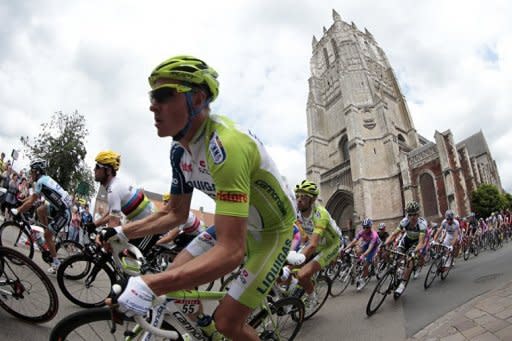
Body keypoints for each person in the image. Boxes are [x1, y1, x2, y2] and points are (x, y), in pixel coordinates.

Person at [98, 55, 296, 341]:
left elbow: (231, 251)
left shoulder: (227, 146)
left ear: (198, 98)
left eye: (164, 95)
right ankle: (205, 327)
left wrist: (149, 285)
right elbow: (174, 213)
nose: (152, 105)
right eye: (152, 96)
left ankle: (219, 329)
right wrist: (120, 232)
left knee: (228, 322)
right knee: (177, 274)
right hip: (237, 223)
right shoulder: (179, 151)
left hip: (270, 232)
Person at [90, 150, 158, 253]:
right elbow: (111, 214)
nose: (94, 169)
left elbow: (114, 222)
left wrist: (103, 238)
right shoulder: (114, 186)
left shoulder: (114, 189)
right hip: (141, 223)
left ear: (108, 171)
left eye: (98, 167)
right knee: (120, 251)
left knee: (131, 258)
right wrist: (94, 225)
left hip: (152, 225)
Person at [12, 159, 73, 273]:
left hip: (64, 213)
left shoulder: (40, 182)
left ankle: (56, 263)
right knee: (40, 210)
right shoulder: (44, 180)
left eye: (32, 172)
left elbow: (31, 202)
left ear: (38, 172)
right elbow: (31, 199)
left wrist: (18, 210)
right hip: (59, 208)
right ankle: (48, 234)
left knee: (47, 235)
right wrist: (22, 201)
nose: (31, 174)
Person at [293, 180, 341, 307]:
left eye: (303, 197)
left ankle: (312, 297)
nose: (299, 200)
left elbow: (313, 245)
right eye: (297, 196)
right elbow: (303, 236)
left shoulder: (321, 214)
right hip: (315, 242)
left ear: (312, 200)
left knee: (301, 274)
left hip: (331, 244)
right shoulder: (297, 213)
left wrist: (298, 259)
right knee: (286, 266)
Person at [385, 201, 427, 295]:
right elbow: (394, 235)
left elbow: (420, 243)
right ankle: (397, 272)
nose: (412, 217)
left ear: (418, 213)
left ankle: (403, 283)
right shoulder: (404, 221)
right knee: (397, 256)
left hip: (416, 243)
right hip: (406, 240)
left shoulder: (422, 224)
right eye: (410, 214)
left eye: (414, 214)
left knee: (410, 261)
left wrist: (414, 252)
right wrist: (385, 243)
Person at [345, 218, 380, 290]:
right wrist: (345, 249)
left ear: (370, 227)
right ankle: (358, 266)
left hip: (373, 247)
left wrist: (363, 255)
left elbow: (370, 248)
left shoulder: (374, 235)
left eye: (367, 227)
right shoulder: (362, 232)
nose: (365, 229)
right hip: (367, 243)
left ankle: (364, 278)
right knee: (357, 251)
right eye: (364, 227)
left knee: (366, 264)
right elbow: (353, 242)